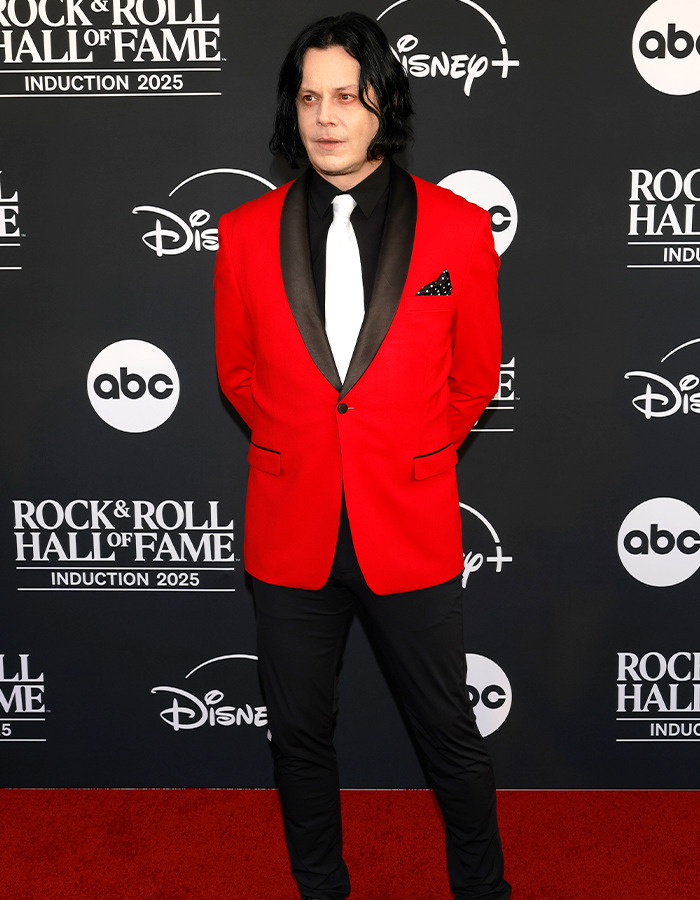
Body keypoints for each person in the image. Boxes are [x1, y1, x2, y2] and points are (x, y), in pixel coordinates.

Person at [214, 11, 511, 900]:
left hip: (407, 524)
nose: (326, 116)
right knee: (299, 738)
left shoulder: (458, 229)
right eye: (310, 98)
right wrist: (305, 439)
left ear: (383, 103)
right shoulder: (241, 233)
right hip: (290, 528)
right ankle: (321, 889)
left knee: (449, 736)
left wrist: (408, 450)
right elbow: (237, 373)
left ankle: (484, 891)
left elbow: (474, 374)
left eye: (347, 95)